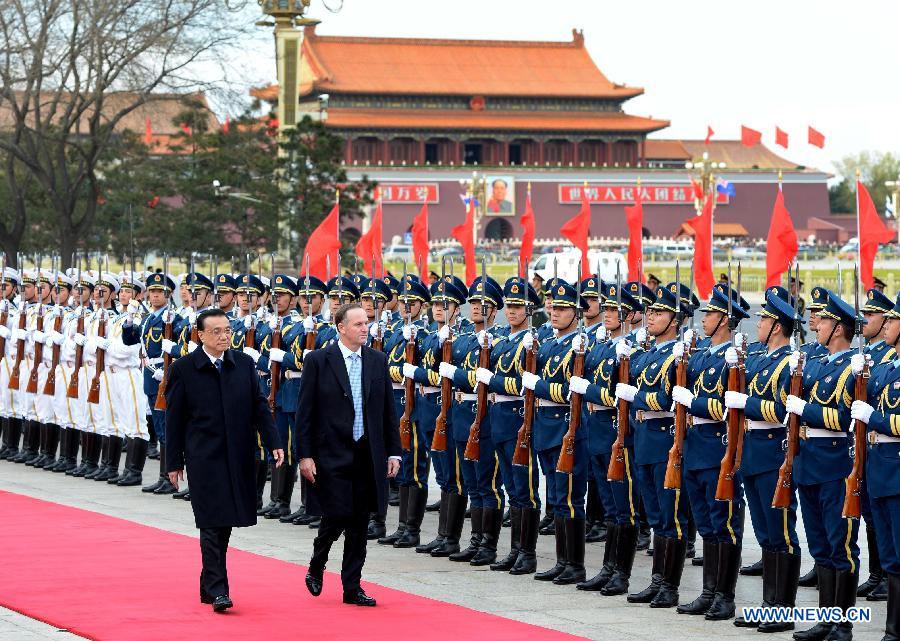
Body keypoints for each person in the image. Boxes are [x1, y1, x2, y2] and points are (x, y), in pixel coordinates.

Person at [165, 307, 283, 612]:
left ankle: (208, 583)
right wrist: (173, 462)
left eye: (227, 331)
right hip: (204, 456)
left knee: (226, 520)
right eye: (216, 332)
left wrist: (273, 442)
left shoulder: (242, 364)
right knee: (211, 520)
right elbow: (174, 420)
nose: (223, 337)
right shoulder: (185, 369)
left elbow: (259, 406)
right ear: (201, 335)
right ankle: (219, 590)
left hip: (238, 454)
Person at [297, 303, 401, 607]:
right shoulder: (319, 360)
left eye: (366, 323)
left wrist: (393, 452)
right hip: (331, 452)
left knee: (359, 521)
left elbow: (387, 411)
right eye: (357, 324)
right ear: (341, 327)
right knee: (337, 513)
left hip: (366, 451)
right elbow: (305, 413)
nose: (364, 328)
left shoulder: (376, 360)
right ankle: (318, 563)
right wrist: (305, 455)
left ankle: (352, 586)